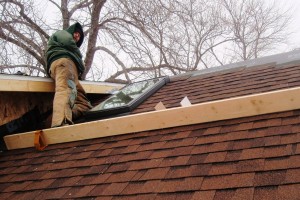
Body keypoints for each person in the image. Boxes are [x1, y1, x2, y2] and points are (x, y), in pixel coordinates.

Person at [45, 22, 92, 127]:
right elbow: (67, 40)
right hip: (64, 63)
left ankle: (52, 119)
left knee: (84, 104)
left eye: (79, 36)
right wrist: (79, 56)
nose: (77, 36)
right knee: (66, 90)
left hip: (71, 70)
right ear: (71, 31)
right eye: (76, 33)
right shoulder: (63, 33)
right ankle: (60, 123)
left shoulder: (72, 52)